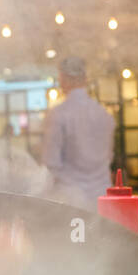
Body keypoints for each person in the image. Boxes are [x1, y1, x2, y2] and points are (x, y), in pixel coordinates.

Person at [41, 56, 115, 211]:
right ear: (85, 78)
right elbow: (109, 157)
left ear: (64, 78)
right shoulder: (104, 114)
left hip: (71, 200)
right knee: (103, 235)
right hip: (102, 197)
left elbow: (51, 162)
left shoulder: (58, 114)